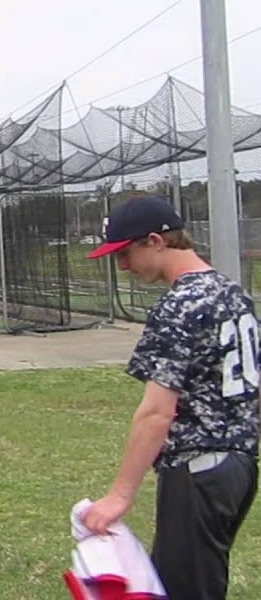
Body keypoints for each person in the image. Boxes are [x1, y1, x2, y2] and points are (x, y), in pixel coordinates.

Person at [81, 194, 258, 600]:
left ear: (156, 242)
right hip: (238, 467)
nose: (122, 265)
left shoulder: (181, 304)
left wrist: (120, 494)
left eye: (125, 253)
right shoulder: (233, 293)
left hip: (199, 468)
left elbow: (157, 412)